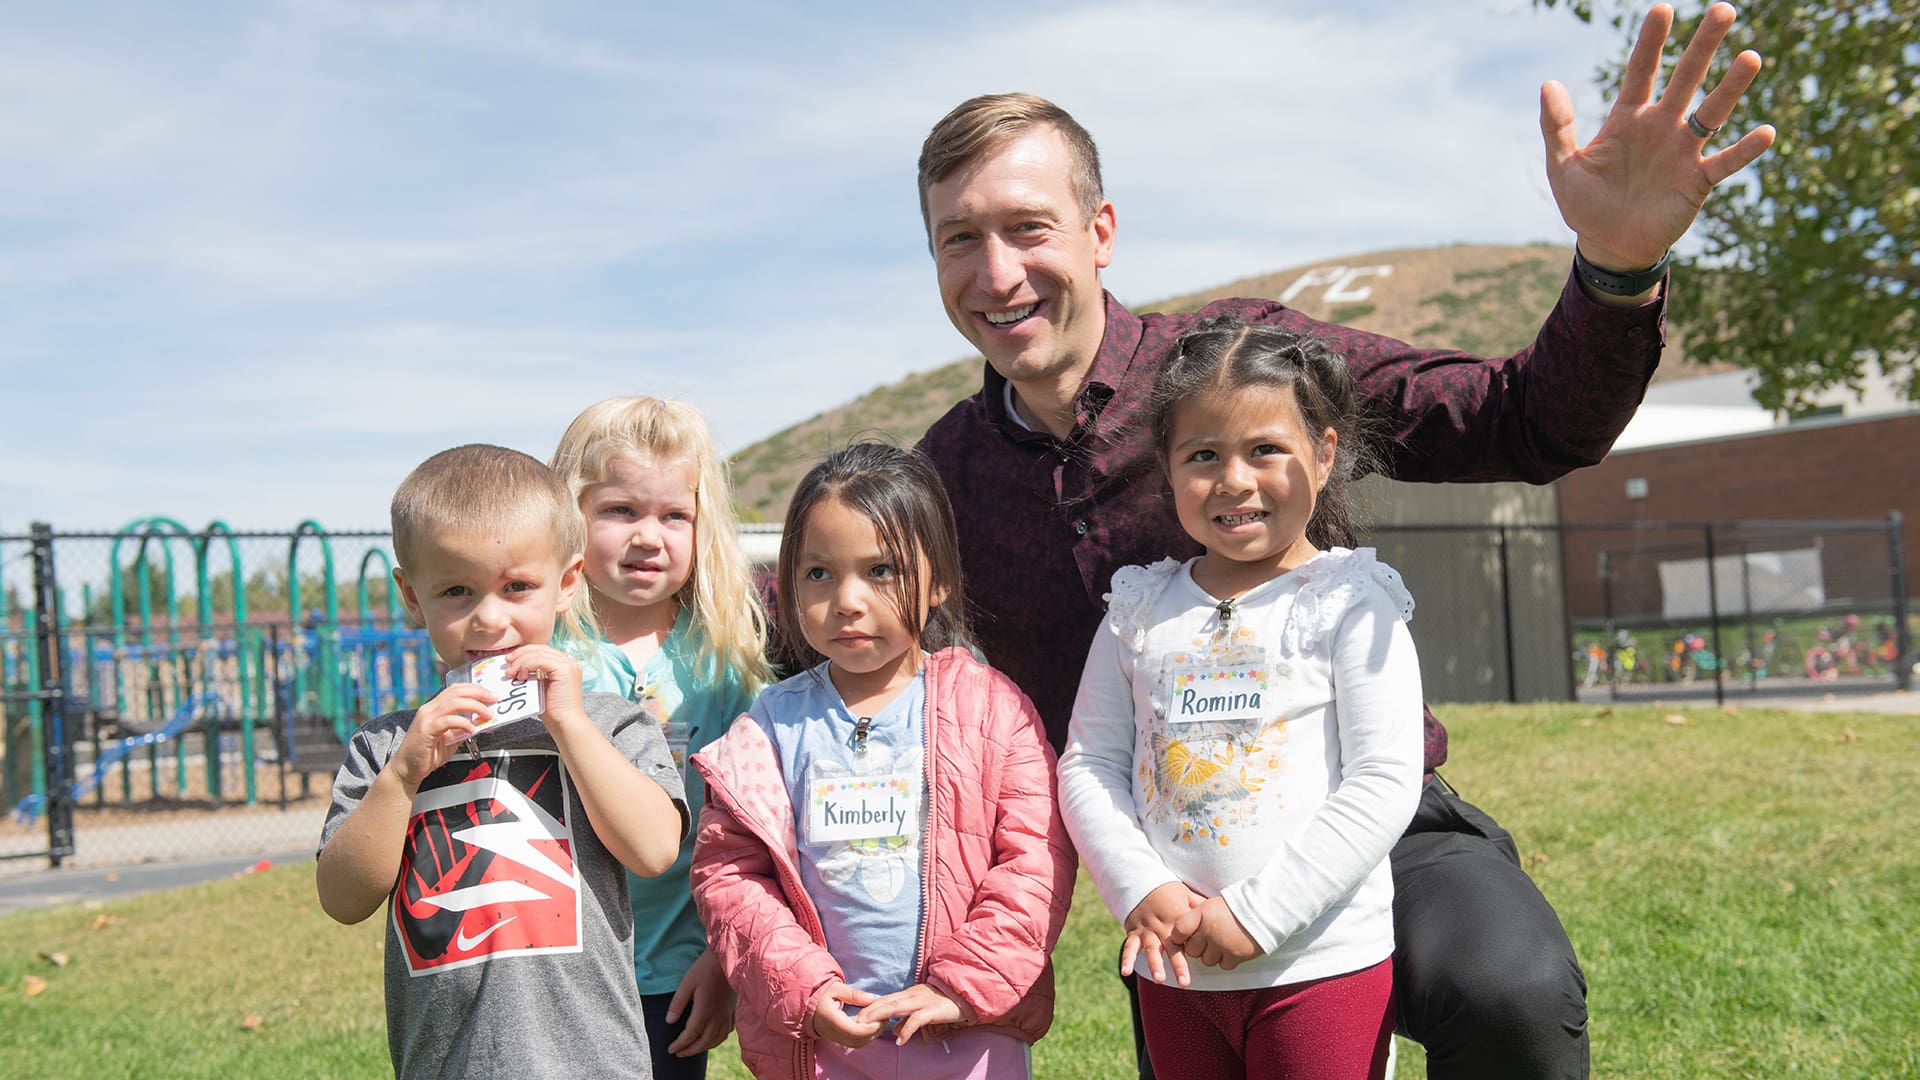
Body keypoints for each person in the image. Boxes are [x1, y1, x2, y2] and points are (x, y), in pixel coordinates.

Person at [913, 6, 1774, 1077]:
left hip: (1380, 823)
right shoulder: (939, 486)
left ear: (1101, 231)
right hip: (1189, 886)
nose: (997, 272)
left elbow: (1522, 420)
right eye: (960, 238)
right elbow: (814, 619)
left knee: (1511, 994)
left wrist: (1615, 266)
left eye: (1028, 227)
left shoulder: (1246, 366)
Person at [1059, 320, 1424, 1079]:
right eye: (1203, 456)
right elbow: (1089, 763)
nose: (1234, 480)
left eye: (1265, 449)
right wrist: (1141, 887)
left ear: (1324, 455)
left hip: (1322, 969)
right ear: (1166, 469)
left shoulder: (1350, 601)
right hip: (1176, 972)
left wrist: (1255, 917)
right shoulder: (1137, 610)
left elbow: (1384, 780)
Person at [688, 442, 1076, 1080]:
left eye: (881, 570)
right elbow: (731, 876)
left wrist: (962, 986)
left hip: (970, 1034)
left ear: (939, 579)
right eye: (819, 573)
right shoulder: (770, 726)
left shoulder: (993, 709)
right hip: (826, 1044)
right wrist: (806, 991)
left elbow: (1035, 861)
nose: (847, 599)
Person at [316, 444, 689, 1080]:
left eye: (517, 587)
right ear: (412, 596)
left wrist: (570, 724)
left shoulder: (609, 722)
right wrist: (403, 776)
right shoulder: (387, 746)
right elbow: (343, 898)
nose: (489, 619)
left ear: (566, 584)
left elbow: (655, 851)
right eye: (456, 591)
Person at [551, 396, 776, 1080]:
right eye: (621, 510)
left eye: (674, 515)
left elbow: (753, 828)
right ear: (568, 516)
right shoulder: (541, 652)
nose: (649, 536)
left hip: (674, 975)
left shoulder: (726, 662)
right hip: (551, 968)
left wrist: (722, 958)